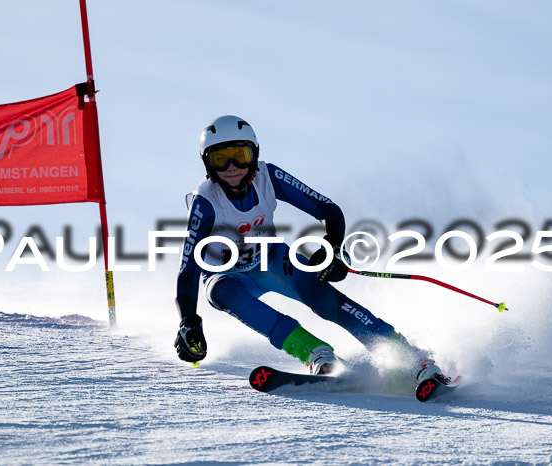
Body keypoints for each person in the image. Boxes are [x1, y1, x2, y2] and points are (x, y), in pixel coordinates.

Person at [174, 115, 442, 383]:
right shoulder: (205, 202)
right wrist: (188, 320)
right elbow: (188, 265)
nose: (232, 167)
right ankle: (316, 354)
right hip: (228, 276)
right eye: (220, 159)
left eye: (240, 156)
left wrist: (333, 247)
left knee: (324, 300)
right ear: (207, 164)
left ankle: (411, 359)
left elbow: (327, 209)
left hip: (272, 260)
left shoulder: (268, 177)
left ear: (253, 155)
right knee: (221, 292)